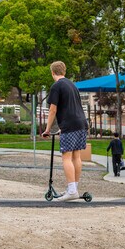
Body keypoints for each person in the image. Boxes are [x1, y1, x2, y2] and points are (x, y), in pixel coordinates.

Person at [42, 61, 89, 201]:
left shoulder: (56, 86)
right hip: (81, 123)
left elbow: (53, 109)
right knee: (76, 156)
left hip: (69, 124)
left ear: (52, 73)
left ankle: (72, 190)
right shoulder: (72, 85)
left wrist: (48, 129)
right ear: (64, 71)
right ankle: (72, 188)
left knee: (66, 157)